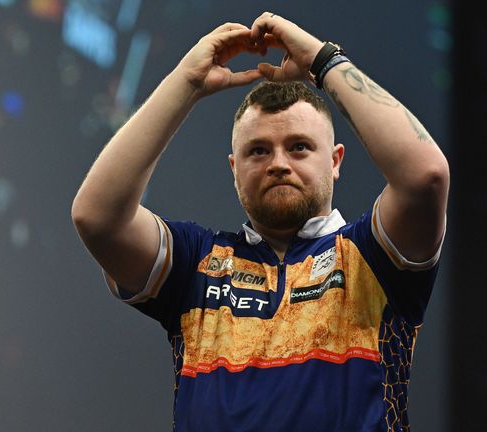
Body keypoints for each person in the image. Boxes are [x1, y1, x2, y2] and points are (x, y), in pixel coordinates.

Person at [72, 12, 449, 432]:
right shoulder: (196, 264)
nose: (278, 164)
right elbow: (98, 217)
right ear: (234, 168)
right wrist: (186, 83)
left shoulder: (372, 257)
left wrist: (324, 61)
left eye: (299, 146)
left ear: (335, 161)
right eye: (258, 151)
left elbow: (426, 176)